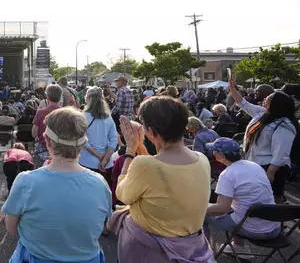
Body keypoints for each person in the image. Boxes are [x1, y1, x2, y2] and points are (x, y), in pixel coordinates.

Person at [112, 96, 214, 262]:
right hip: (193, 247)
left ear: (151, 131)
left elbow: (122, 194)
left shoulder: (144, 166)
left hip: (152, 251)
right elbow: (154, 173)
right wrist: (140, 146)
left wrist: (130, 149)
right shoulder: (201, 158)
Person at [3, 108, 111, 263]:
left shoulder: (26, 181)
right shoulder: (100, 183)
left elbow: (11, 229)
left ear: (47, 141)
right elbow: (100, 224)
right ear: (82, 143)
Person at [205, 138, 281, 255]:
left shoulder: (228, 174)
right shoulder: (254, 165)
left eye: (214, 151)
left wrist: (199, 207)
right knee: (238, 209)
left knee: (202, 215)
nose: (212, 153)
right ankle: (238, 247)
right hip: (274, 227)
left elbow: (221, 209)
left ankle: (203, 252)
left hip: (254, 230)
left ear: (220, 154)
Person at [228, 75, 298, 201]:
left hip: (268, 168)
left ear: (277, 104)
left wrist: (270, 173)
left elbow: (281, 153)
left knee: (269, 201)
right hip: (254, 164)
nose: (265, 99)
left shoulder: (284, 125)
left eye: (269, 98)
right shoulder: (263, 113)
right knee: (253, 199)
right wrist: (233, 89)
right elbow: (243, 104)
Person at [79, 87, 118, 180]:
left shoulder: (82, 116)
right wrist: (106, 158)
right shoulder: (108, 117)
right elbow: (114, 139)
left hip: (86, 162)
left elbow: (81, 139)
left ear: (87, 98)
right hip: (106, 164)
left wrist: (98, 155)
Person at [32, 85, 63, 167]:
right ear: (60, 97)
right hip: (60, 151)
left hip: (43, 150)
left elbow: (34, 133)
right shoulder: (65, 113)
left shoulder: (41, 112)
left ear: (47, 96)